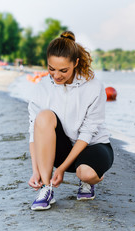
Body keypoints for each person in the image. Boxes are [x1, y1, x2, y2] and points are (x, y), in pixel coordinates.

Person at [27, 31, 114, 211]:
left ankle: (91, 182)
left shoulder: (93, 87)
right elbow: (34, 132)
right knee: (42, 116)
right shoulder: (42, 88)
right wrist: (36, 170)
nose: (56, 75)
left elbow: (88, 132)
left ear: (75, 63)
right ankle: (46, 188)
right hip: (61, 148)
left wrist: (61, 169)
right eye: (51, 68)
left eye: (63, 70)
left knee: (86, 173)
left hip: (92, 146)